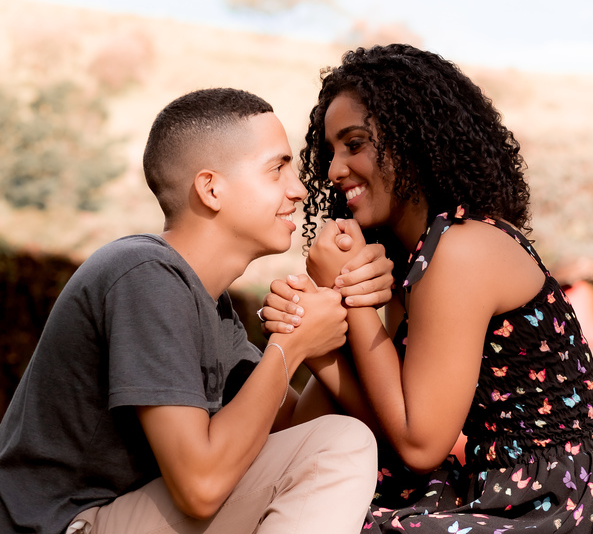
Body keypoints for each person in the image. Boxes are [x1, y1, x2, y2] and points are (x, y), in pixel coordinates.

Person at [260, 44, 593, 533]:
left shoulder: (460, 249)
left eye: (355, 143)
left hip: (568, 500)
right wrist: (318, 328)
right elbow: (381, 422)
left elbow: (420, 443)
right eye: (331, 151)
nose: (333, 170)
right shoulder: (416, 259)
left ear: (412, 140)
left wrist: (345, 292)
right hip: (509, 487)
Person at [0, 88, 393, 534]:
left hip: (118, 517)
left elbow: (290, 436)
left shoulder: (209, 303)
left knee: (336, 442)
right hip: (61, 524)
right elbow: (201, 486)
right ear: (211, 188)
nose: (299, 189)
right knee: (342, 444)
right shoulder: (144, 276)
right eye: (277, 168)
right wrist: (290, 347)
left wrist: (331, 308)